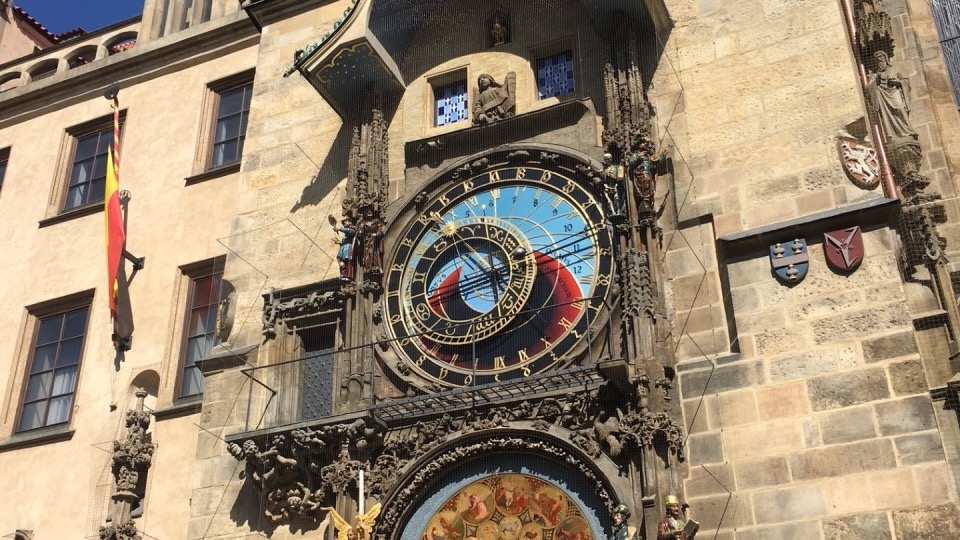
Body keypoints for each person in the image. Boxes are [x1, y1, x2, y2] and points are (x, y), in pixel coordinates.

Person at [866, 50, 917, 143]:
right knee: (887, 115)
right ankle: (893, 135)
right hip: (883, 96)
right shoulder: (875, 75)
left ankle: (908, 131)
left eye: (881, 57)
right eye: (877, 59)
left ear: (885, 58)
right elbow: (868, 88)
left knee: (900, 109)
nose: (879, 60)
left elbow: (905, 81)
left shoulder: (894, 69)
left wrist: (897, 82)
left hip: (894, 93)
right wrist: (875, 82)